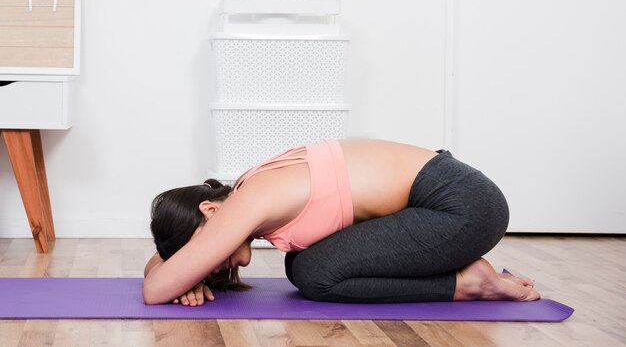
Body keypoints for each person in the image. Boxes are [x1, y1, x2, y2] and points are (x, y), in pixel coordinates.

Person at [143, 140, 540, 306]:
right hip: (451, 199)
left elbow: (155, 291)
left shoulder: (247, 202)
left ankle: (468, 285)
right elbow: (161, 273)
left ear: (211, 210)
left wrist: (175, 274)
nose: (208, 264)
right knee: (301, 265)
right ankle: (462, 275)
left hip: (462, 207)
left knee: (314, 272)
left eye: (199, 249)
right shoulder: (251, 189)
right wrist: (178, 265)